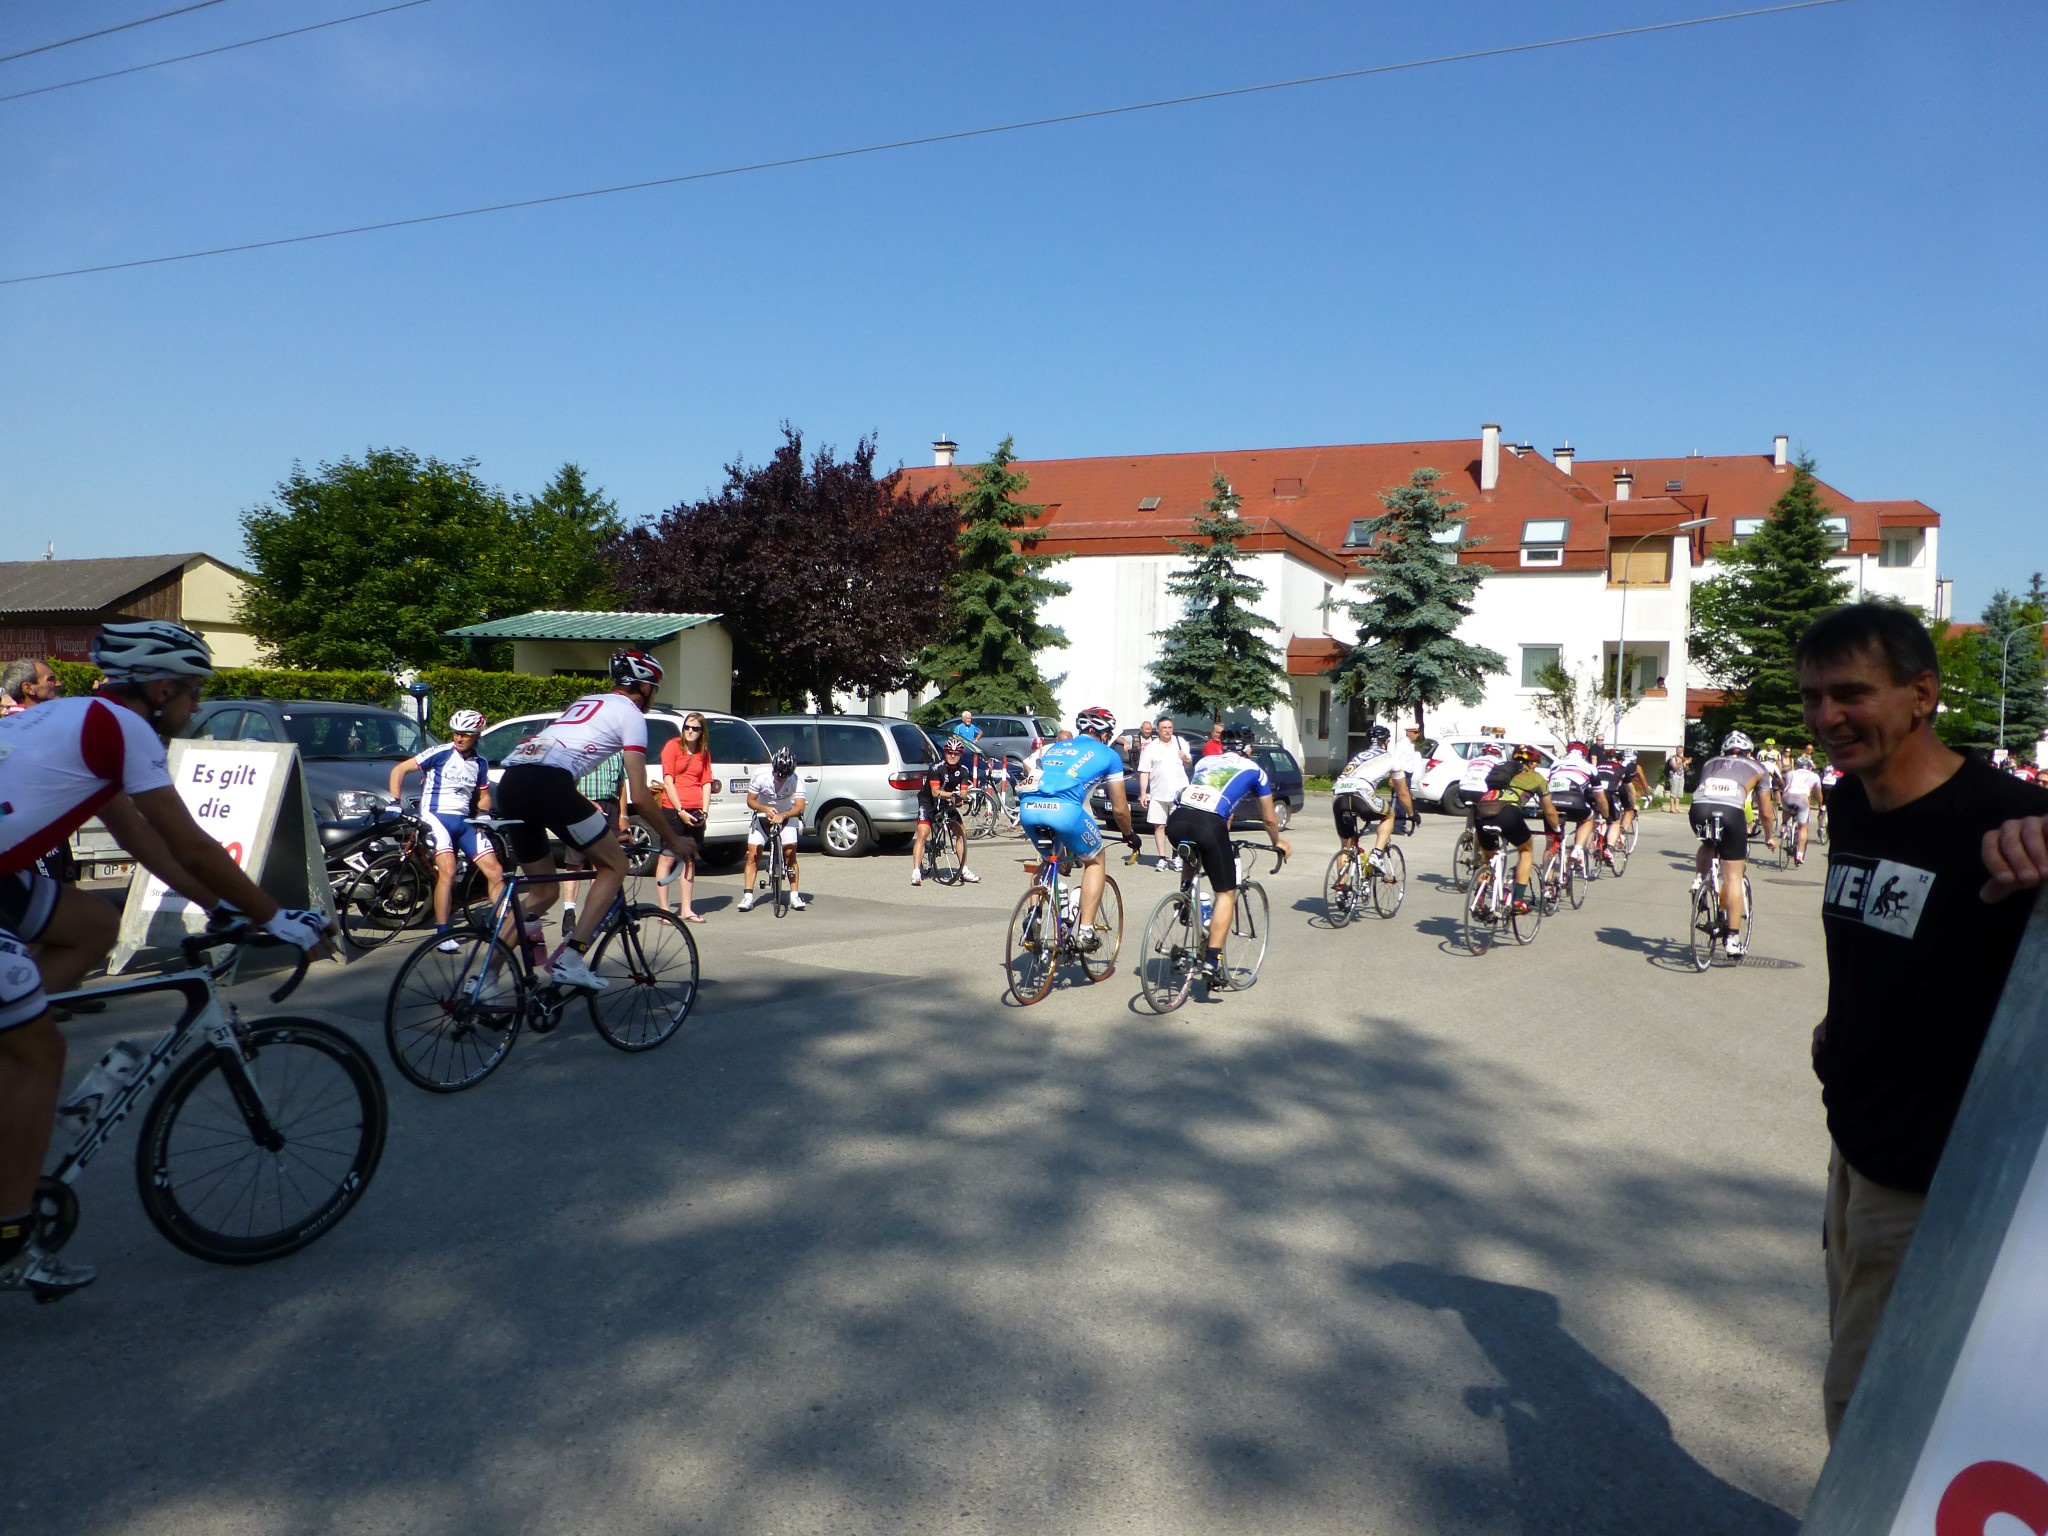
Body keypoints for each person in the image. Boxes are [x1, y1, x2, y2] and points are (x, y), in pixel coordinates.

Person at [0, 621, 332, 1301]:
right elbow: (193, 844)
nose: (197, 705)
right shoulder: (126, 730)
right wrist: (274, 918)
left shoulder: (79, 715)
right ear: (160, 689)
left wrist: (220, 906)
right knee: (41, 1056)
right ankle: (10, 1239)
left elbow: (142, 839)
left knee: (94, 925)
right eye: (193, 692)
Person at [1795, 604, 2048, 1441]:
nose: (1828, 717)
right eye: (1813, 697)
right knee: (1857, 1377)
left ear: (1922, 694)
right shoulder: (1852, 803)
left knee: (1871, 1422)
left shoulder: (2007, 822)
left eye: (1852, 694)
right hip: (1854, 1146)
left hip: (1931, 1181)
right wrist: (1843, 1024)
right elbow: (1876, 940)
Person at [493, 650, 693, 989]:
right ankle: (572, 958)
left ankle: (483, 979)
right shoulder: (632, 715)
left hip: (512, 783)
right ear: (645, 688)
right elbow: (641, 794)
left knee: (543, 893)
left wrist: (605, 833)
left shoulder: (586, 702)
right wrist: (673, 840)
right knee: (615, 865)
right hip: (548, 784)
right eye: (655, 688)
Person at [1163, 725, 1292, 985]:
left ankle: (1185, 895)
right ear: (1249, 749)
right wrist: (1278, 841)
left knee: (1193, 851)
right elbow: (1269, 818)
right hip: (1209, 825)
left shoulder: (1205, 762)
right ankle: (1213, 960)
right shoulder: (1255, 770)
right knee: (1225, 894)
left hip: (1177, 821)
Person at [1018, 706, 1139, 952]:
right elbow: (1119, 809)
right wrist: (1129, 835)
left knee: (1049, 860)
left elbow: (1029, 767)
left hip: (1029, 808)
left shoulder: (1056, 747)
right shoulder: (1109, 755)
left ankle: (1034, 915)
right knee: (1095, 860)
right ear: (1103, 733)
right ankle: (1085, 931)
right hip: (1065, 811)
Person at [386, 708, 504, 953]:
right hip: (435, 817)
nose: (459, 738)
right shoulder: (440, 753)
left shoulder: (480, 763)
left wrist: (484, 813)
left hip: (464, 821)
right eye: (456, 733)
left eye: (466, 734)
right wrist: (395, 801)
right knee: (448, 870)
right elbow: (399, 770)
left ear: (477, 736)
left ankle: (505, 927)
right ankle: (442, 932)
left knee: (495, 870)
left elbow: (483, 795)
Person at [1689, 731, 1776, 959]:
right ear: (1750, 752)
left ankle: (1699, 879)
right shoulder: (1758, 768)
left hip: (1699, 809)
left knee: (1708, 841)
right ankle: (1732, 939)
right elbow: (1766, 812)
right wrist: (1769, 836)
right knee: (1733, 877)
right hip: (1731, 812)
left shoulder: (1710, 762)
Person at [1329, 725, 1417, 884]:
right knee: (1390, 814)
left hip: (1338, 796)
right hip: (1361, 794)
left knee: (1346, 846)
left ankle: (1341, 890)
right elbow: (1403, 792)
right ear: (1386, 741)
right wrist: (1411, 814)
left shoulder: (1358, 756)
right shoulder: (1391, 757)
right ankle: (1376, 854)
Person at [1472, 744, 1552, 912]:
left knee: (1489, 859)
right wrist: (1556, 829)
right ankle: (1518, 901)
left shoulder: (1501, 772)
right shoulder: (1536, 777)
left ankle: (1478, 900)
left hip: (1482, 811)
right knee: (1526, 850)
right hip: (1508, 813)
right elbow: (1549, 810)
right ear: (1533, 763)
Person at [656, 713, 712, 922]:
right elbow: (668, 781)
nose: (690, 731)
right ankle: (664, 910)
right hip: (673, 809)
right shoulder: (673, 746)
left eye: (695, 728)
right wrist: (680, 810)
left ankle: (686, 909)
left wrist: (704, 811)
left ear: (701, 732)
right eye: (687, 727)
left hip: (695, 809)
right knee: (668, 856)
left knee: (689, 857)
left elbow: (706, 782)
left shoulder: (703, 752)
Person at [740, 747, 808, 911]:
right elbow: (750, 801)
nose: (780, 778)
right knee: (753, 855)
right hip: (762, 817)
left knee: (790, 854)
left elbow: (799, 807)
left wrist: (783, 815)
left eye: (785, 776)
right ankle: (748, 897)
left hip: (785, 816)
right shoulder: (760, 775)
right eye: (778, 775)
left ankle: (794, 895)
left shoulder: (796, 779)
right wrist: (764, 809)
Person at [911, 736, 976, 886]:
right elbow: (935, 792)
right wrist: (954, 795)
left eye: (956, 753)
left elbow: (964, 792)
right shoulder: (936, 768)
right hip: (928, 802)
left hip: (946, 802)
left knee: (962, 833)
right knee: (923, 833)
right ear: (945, 753)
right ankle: (916, 872)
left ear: (960, 755)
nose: (952, 756)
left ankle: (964, 870)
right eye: (949, 753)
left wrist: (961, 798)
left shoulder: (964, 770)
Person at [1138, 716, 1191, 870]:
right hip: (1158, 793)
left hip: (1178, 794)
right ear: (1158, 730)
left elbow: (1189, 764)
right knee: (1159, 826)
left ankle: (1176, 856)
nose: (1167, 731)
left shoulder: (1181, 742)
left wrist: (1186, 758)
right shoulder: (1151, 748)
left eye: (1170, 728)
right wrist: (1143, 793)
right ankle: (1162, 858)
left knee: (1177, 827)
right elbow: (1144, 772)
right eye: (1164, 728)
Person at [1782, 755, 1824, 867]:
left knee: (1786, 807)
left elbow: (1787, 786)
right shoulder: (1814, 776)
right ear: (1810, 767)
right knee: (1802, 827)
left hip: (1787, 796)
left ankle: (1784, 825)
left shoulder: (1791, 773)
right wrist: (1820, 806)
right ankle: (1800, 855)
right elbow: (1819, 795)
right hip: (1802, 799)